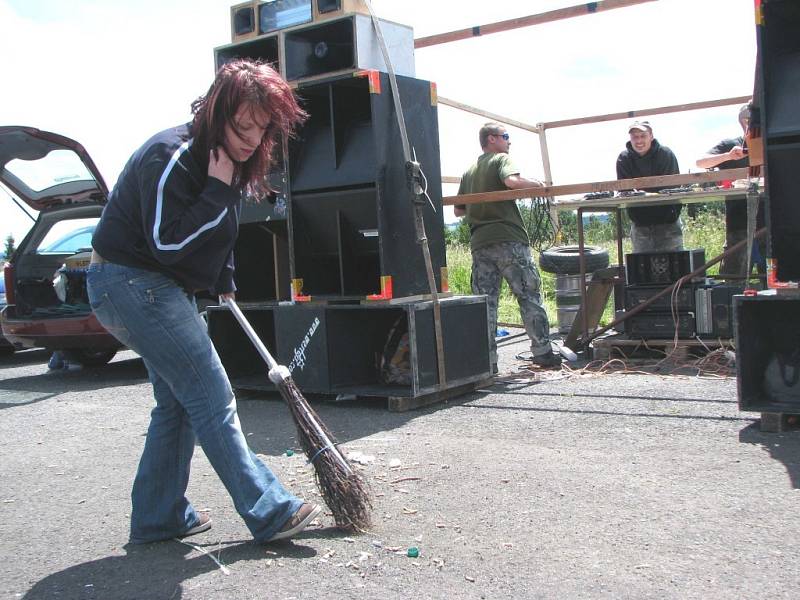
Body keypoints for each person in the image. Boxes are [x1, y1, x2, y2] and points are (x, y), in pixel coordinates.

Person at [87, 59, 321, 545]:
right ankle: (269, 508)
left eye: (261, 130)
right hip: (131, 282)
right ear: (217, 111)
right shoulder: (171, 156)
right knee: (211, 394)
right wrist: (216, 189)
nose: (252, 140)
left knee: (176, 402)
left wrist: (224, 275)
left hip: (150, 286)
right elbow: (167, 243)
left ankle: (159, 516)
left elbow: (220, 230)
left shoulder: (230, 161)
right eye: (242, 127)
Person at [454, 122, 560, 371]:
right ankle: (543, 353)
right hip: (509, 240)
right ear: (492, 139)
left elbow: (458, 210)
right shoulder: (500, 159)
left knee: (486, 303)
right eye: (506, 136)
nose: (509, 142)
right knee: (528, 296)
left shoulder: (469, 171)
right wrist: (539, 185)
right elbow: (512, 181)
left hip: (480, 243)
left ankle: (487, 363)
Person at [695, 102, 762, 276]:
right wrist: (728, 156)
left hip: (769, 224)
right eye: (747, 121)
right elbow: (701, 162)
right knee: (732, 281)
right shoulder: (731, 144)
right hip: (738, 222)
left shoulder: (771, 142)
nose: (751, 125)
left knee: (774, 281)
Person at [616, 121, 682, 253]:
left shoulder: (666, 154)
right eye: (635, 137)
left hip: (668, 221)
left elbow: (673, 188)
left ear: (651, 136)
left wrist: (644, 193)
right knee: (642, 268)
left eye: (643, 135)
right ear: (630, 139)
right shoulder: (624, 159)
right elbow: (625, 191)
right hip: (640, 223)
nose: (639, 140)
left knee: (674, 266)